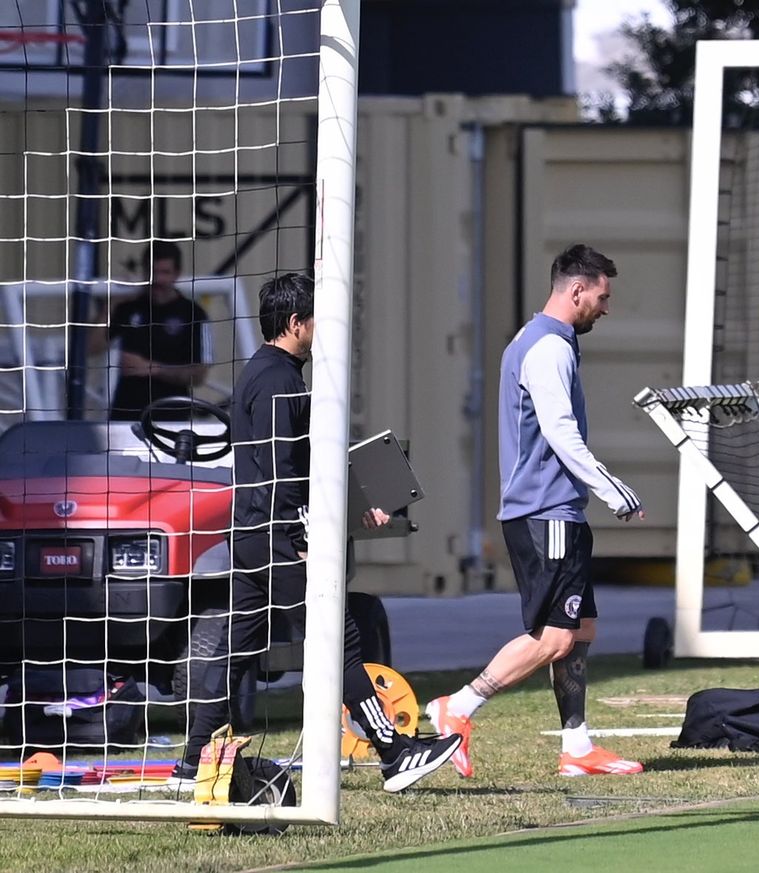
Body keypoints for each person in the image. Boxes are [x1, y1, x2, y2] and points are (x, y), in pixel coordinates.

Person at [174, 273, 460, 793]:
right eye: (317, 322)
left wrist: (357, 501)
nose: (324, 332)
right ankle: (397, 754)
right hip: (276, 534)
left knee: (236, 650)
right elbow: (282, 469)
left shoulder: (258, 374)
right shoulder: (280, 380)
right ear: (295, 324)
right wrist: (299, 537)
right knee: (340, 639)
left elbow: (289, 463)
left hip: (250, 533)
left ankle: (194, 758)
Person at [425, 244, 645, 779]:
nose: (606, 308)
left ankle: (577, 747)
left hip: (557, 511)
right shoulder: (547, 348)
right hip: (544, 513)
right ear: (576, 290)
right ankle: (457, 707)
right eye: (602, 296)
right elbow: (560, 431)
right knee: (554, 636)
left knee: (582, 627)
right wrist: (613, 489)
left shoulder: (541, 340)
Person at [99, 241, 214, 420]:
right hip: (125, 417)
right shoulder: (128, 308)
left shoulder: (195, 314)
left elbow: (199, 375)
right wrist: (110, 305)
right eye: (152, 272)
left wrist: (153, 369)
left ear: (177, 273)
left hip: (172, 419)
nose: (158, 279)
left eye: (164, 272)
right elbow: (89, 348)